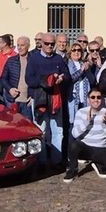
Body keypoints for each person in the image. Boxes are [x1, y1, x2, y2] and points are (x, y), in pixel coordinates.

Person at [63, 90, 106, 182]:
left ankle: (98, 163)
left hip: (101, 148)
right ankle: (72, 170)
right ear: (88, 99)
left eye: (98, 97)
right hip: (85, 148)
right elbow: (74, 134)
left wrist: (104, 124)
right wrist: (86, 122)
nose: (96, 100)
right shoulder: (81, 112)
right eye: (93, 97)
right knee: (74, 145)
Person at [25, 33, 68, 171]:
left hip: (56, 99)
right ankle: (41, 161)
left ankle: (57, 161)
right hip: (40, 99)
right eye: (47, 43)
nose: (50, 46)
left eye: (52, 44)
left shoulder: (58, 59)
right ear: (41, 44)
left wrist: (61, 79)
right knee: (41, 131)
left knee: (58, 131)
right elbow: (29, 79)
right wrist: (47, 80)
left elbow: (67, 75)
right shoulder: (34, 59)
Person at [0, 36, 34, 120]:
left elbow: (38, 80)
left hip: (27, 102)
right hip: (12, 101)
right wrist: (10, 89)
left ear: (28, 46)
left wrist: (33, 95)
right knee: (12, 126)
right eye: (18, 45)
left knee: (26, 126)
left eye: (22, 45)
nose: (19, 48)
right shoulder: (11, 61)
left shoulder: (34, 60)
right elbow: (3, 78)